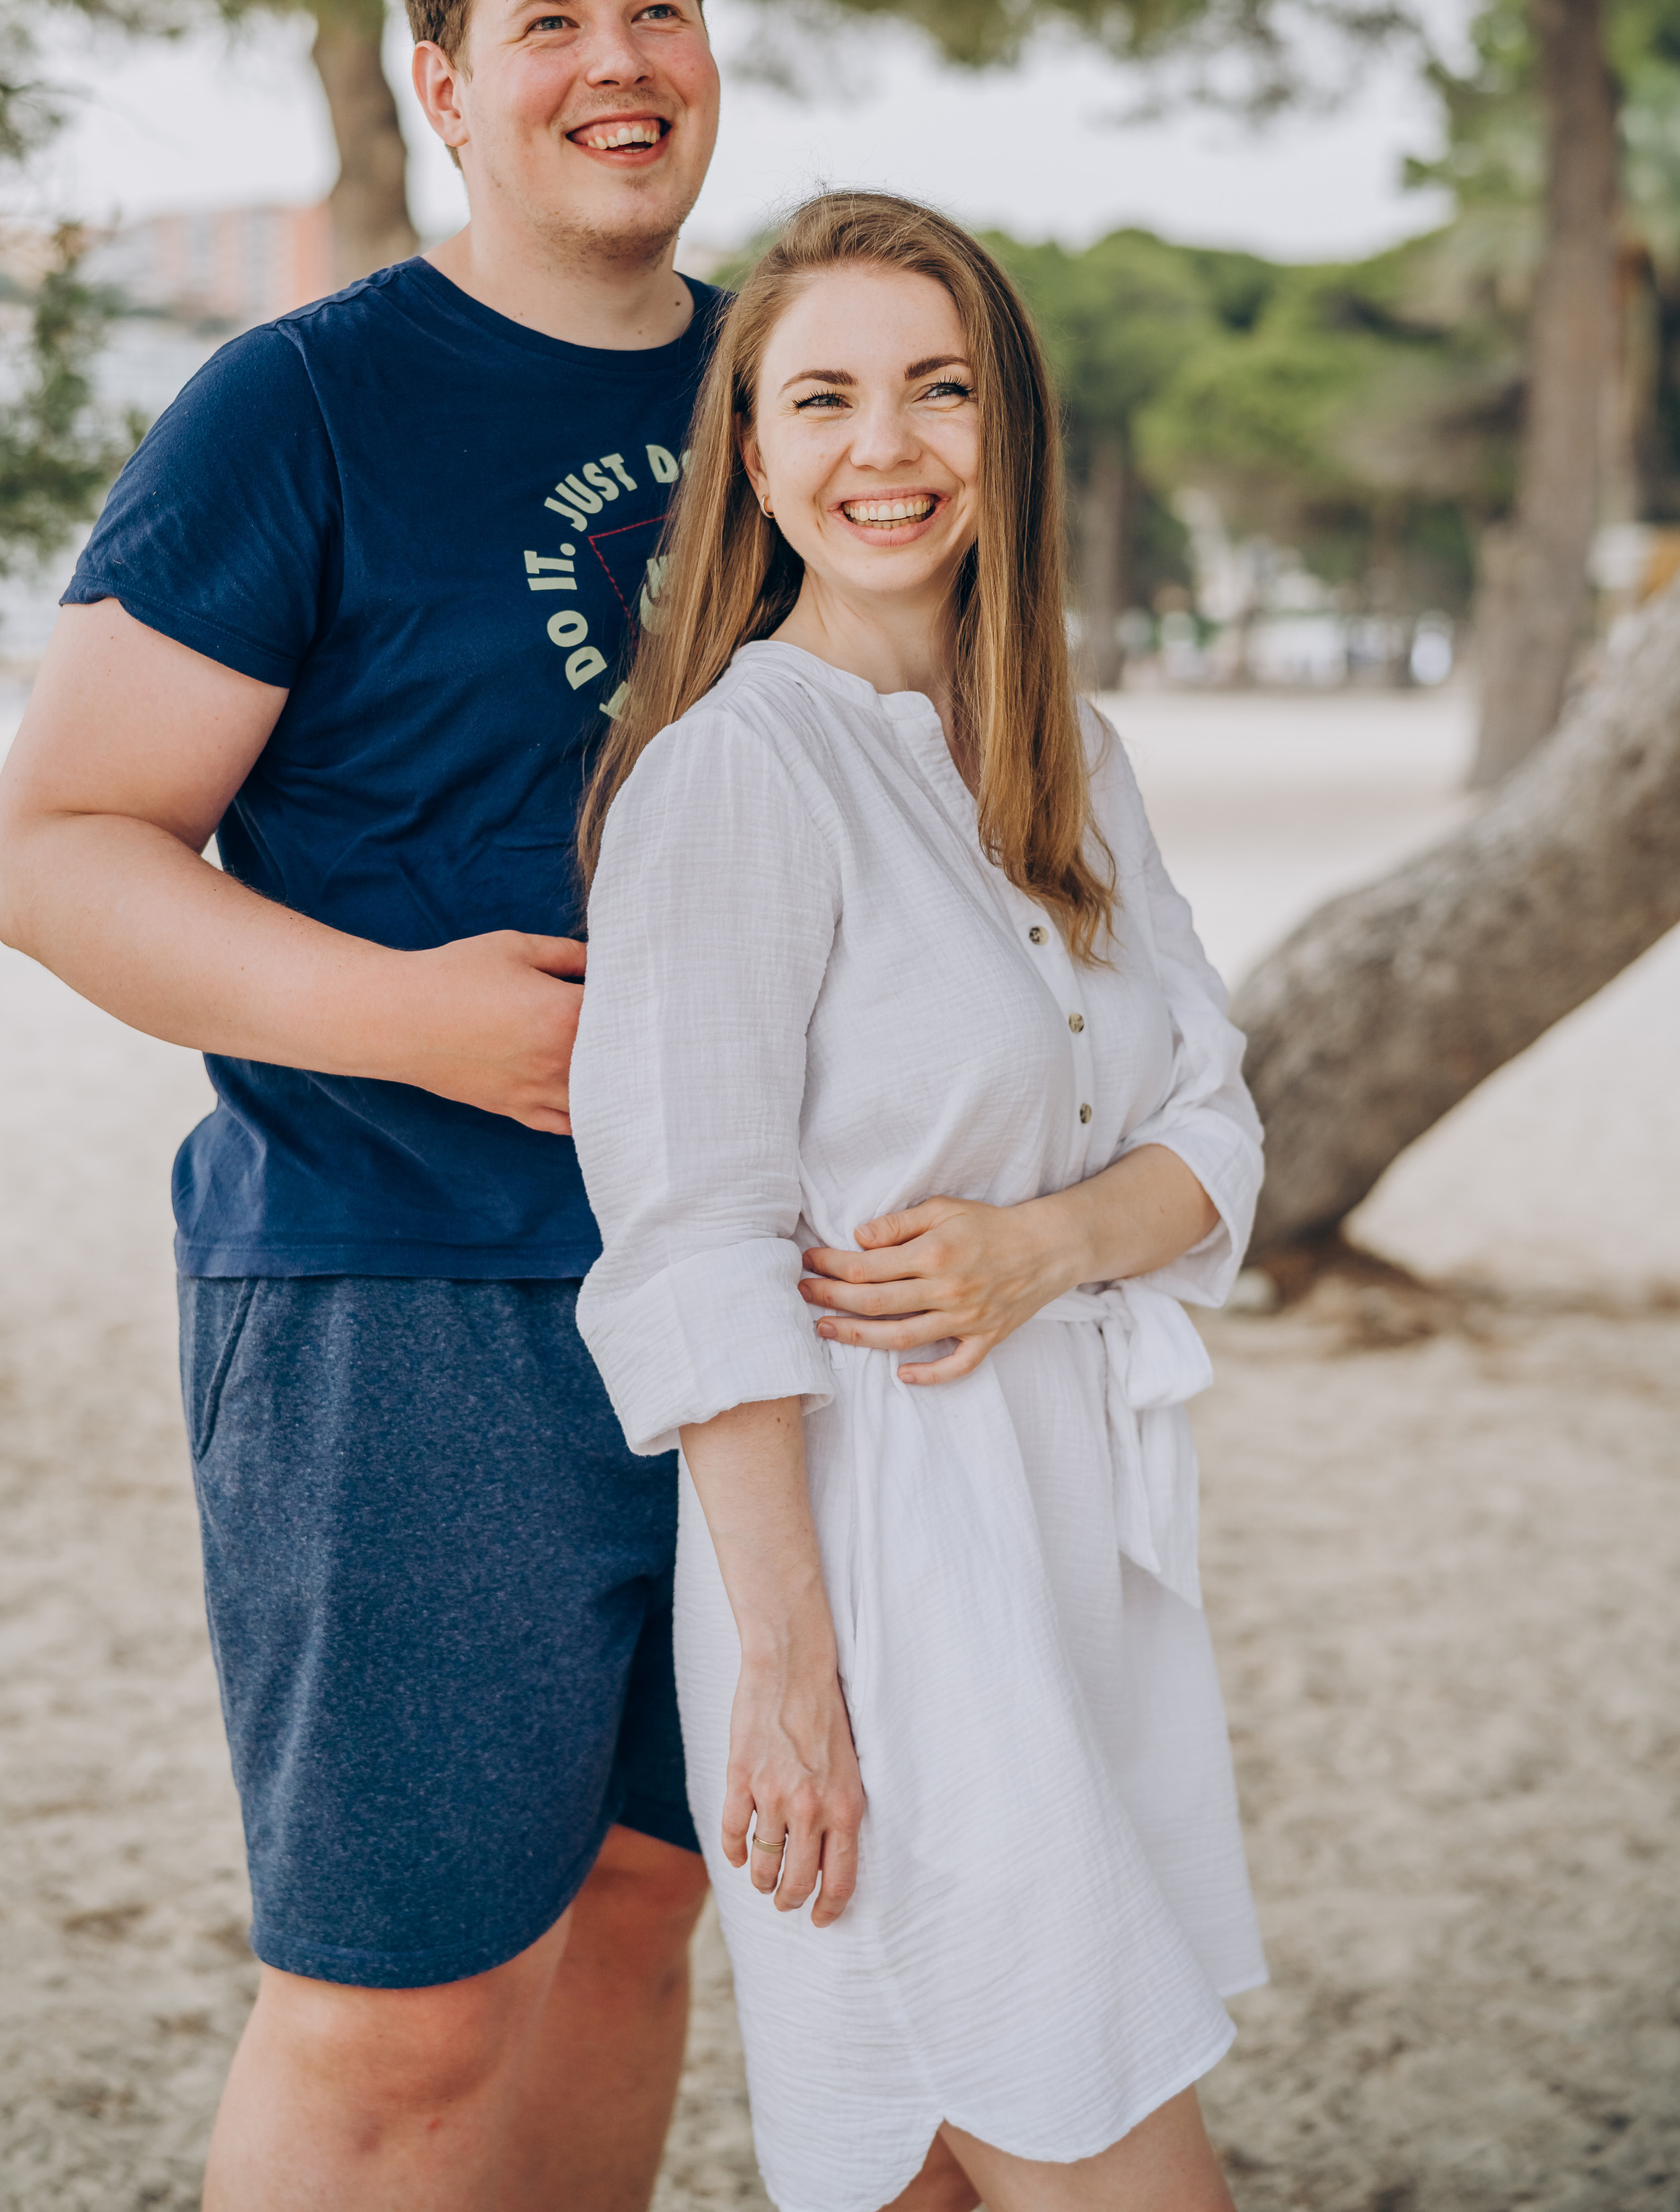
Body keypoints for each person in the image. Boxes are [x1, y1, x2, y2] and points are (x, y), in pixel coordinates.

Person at [0, 0, 725, 2212]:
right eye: (551, 23)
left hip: (758, 1302)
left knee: (645, 1910)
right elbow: (63, 849)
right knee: (394, 2016)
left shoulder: (802, 399)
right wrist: (421, 1023)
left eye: (657, 9)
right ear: (443, 79)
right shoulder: (300, 405)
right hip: (407, 1286)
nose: (618, 66)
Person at [571, 190, 1268, 2212]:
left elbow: (1218, 1131)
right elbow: (693, 1252)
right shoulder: (731, 779)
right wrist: (788, 1679)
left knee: (933, 2174)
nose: (890, 448)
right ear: (756, 457)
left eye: (940, 390)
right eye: (829, 400)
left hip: (1073, 1553)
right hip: (880, 1578)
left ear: (1007, 430)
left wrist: (1048, 1244)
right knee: (1089, 2144)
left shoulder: (1071, 752)